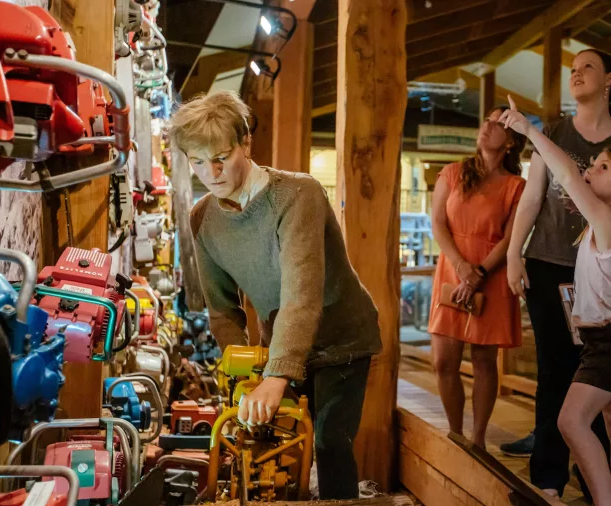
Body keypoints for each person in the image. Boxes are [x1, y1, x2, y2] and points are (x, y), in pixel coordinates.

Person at [169, 90, 383, 500]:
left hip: (341, 339)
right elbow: (223, 310)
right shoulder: (203, 219)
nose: (211, 173)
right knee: (269, 444)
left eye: (221, 157)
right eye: (197, 162)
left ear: (246, 143)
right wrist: (243, 374)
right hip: (281, 342)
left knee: (329, 442)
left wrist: (276, 376)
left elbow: (301, 294)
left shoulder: (298, 195)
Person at [502, 48, 611, 501]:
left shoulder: (608, 211)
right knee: (601, 409)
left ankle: (599, 491)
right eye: (572, 67)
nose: (576, 72)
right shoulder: (605, 220)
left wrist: (528, 129)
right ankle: (563, 481)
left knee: (583, 414)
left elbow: (567, 174)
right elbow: (534, 196)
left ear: (610, 79)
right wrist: (515, 252)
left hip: (608, 325)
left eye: (588, 66)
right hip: (570, 283)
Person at [428, 105, 527, 448]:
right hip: (452, 268)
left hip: (491, 273)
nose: (487, 127)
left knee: (484, 360)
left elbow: (513, 238)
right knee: (443, 361)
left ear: (511, 141)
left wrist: (479, 273)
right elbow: (437, 223)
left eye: (498, 124)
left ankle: (479, 439)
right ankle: (455, 433)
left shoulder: (517, 186)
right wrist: (460, 266)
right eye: (486, 120)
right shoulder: (453, 173)